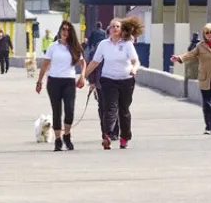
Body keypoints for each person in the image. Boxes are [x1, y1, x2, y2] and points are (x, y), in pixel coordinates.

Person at [82, 16, 142, 150]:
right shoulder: (103, 44)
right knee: (110, 108)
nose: (115, 28)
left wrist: (134, 69)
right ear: (108, 30)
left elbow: (135, 61)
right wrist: (83, 76)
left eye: (117, 26)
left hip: (126, 80)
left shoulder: (127, 44)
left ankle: (124, 137)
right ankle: (107, 135)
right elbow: (95, 62)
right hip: (108, 80)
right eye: (112, 26)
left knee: (124, 110)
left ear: (121, 30)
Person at [35, 20, 85, 151]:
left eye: (68, 30)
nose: (65, 32)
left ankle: (67, 135)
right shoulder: (53, 46)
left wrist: (82, 76)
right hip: (54, 81)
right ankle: (57, 139)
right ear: (60, 31)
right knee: (57, 111)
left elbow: (82, 63)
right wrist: (39, 81)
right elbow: (45, 65)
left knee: (69, 110)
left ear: (71, 32)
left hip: (69, 81)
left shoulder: (74, 46)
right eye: (63, 29)